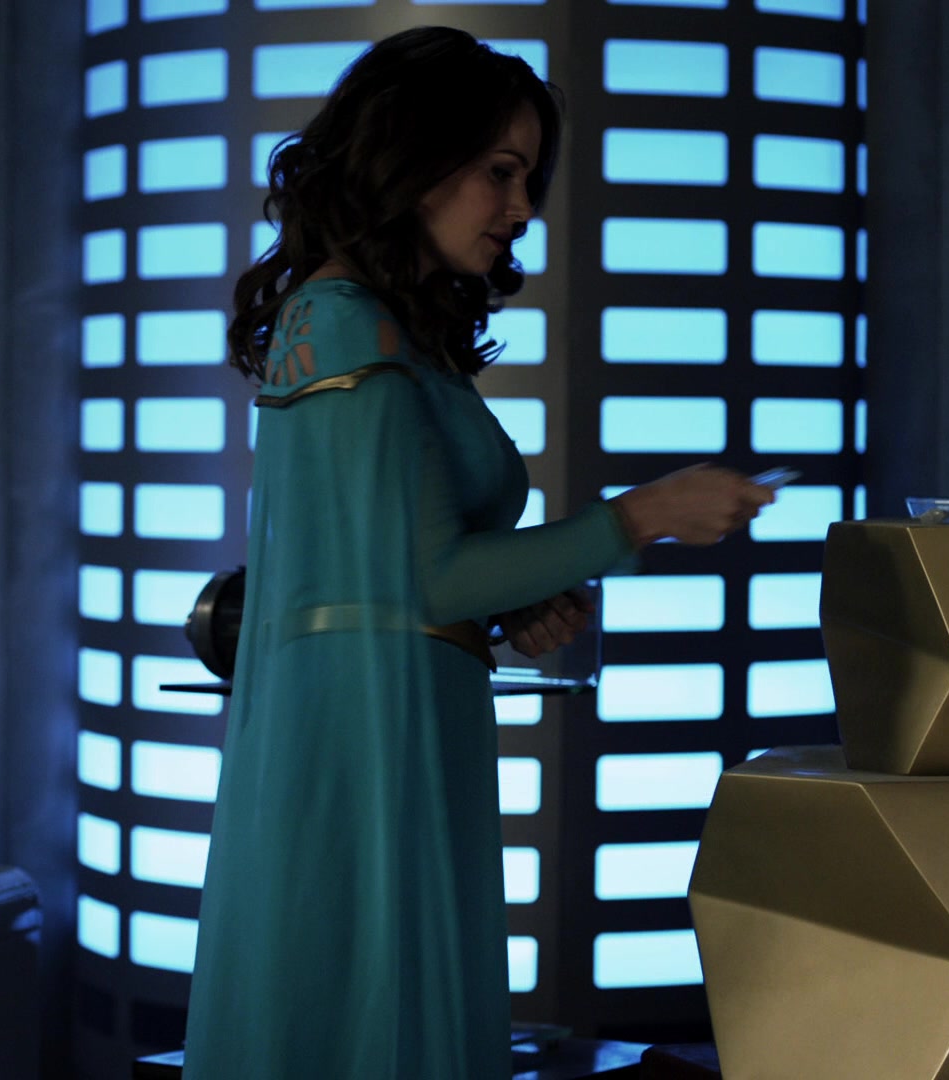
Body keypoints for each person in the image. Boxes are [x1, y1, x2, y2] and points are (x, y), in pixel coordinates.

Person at [182, 27, 774, 1079]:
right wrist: (641, 515)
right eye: (500, 171)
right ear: (411, 158)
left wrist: (509, 606)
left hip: (394, 724)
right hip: (366, 746)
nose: (521, 206)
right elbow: (426, 578)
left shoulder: (382, 330)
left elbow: (396, 580)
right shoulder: (347, 322)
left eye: (528, 177)